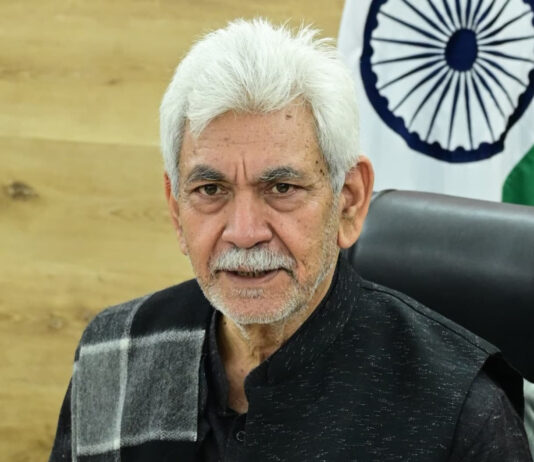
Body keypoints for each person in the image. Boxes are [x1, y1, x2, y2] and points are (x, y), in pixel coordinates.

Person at [49, 19, 532, 461]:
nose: (244, 233)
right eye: (211, 190)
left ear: (349, 201)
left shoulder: (460, 408)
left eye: (281, 188)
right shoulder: (114, 353)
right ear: (176, 208)